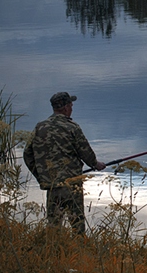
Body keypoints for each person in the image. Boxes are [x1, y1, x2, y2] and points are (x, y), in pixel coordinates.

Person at [23, 92, 106, 234]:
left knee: (53, 226)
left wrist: (42, 176)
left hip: (52, 185)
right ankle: (78, 252)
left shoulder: (39, 127)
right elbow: (85, 153)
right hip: (72, 185)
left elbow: (27, 155)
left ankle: (54, 251)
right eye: (71, 105)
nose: (72, 107)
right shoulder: (72, 127)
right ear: (66, 107)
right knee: (77, 225)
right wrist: (96, 164)